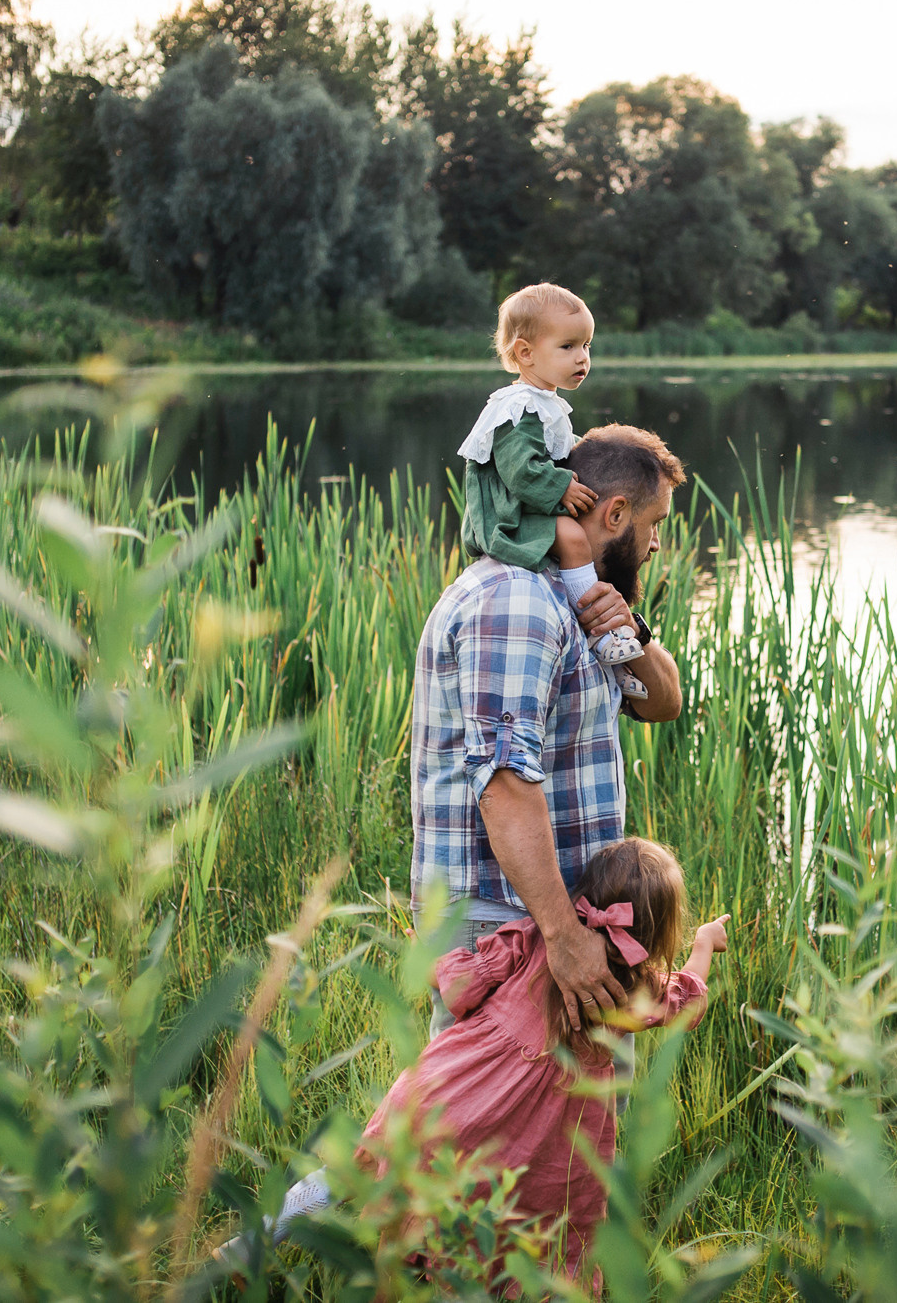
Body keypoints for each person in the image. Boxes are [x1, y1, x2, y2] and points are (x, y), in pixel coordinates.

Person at [259, 837, 730, 1276]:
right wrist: (704, 943)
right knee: (518, 1222)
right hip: (521, 1145)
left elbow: (456, 985)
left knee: (362, 1168)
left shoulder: (529, 939)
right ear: (659, 931)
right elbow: (688, 999)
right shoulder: (634, 990)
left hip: (447, 1094)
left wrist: (420, 953)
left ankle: (257, 1242)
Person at [416, 417, 687, 1044]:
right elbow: (506, 782)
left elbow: (663, 703)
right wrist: (564, 938)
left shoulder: (573, 596)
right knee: (485, 1129)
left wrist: (630, 632)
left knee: (571, 1132)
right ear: (616, 514)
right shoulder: (516, 602)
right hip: (505, 921)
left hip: (553, 912)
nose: (654, 547)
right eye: (654, 526)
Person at [461, 283, 646, 698]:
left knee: (578, 537)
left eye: (587, 345)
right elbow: (521, 470)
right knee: (575, 537)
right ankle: (601, 632)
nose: (582, 357)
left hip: (531, 504)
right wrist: (561, 485)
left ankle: (604, 662)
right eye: (567, 346)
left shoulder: (544, 403)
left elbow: (559, 449)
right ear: (525, 353)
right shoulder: (517, 408)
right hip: (510, 514)